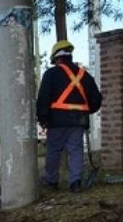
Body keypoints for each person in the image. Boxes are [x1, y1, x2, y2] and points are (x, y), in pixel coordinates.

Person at [37, 39, 102, 193]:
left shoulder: (51, 74)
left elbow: (44, 97)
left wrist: (43, 118)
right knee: (76, 149)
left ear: (57, 58)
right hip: (78, 120)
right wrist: (86, 111)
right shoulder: (85, 75)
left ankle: (51, 181)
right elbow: (96, 100)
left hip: (57, 120)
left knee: (54, 150)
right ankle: (75, 183)